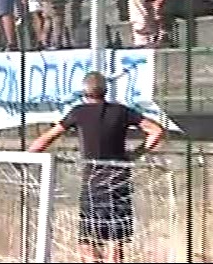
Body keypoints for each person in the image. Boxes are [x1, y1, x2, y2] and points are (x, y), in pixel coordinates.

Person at [29, 73, 166, 264]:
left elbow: (47, 138)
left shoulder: (79, 112)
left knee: (87, 238)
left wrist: (28, 154)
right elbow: (156, 131)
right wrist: (135, 154)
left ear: (84, 92)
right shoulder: (122, 111)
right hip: (119, 183)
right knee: (115, 240)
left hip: (94, 185)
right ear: (106, 91)